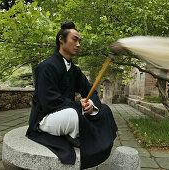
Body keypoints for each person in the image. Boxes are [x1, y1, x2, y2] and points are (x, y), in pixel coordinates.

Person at [26, 21, 117, 169]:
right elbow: (49, 101)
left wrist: (90, 104)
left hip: (67, 111)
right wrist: (78, 105)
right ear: (61, 39)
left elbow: (90, 92)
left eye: (80, 41)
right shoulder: (46, 67)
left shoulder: (75, 70)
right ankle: (79, 134)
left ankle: (77, 135)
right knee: (72, 114)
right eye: (74, 39)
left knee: (105, 109)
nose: (78, 44)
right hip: (46, 117)